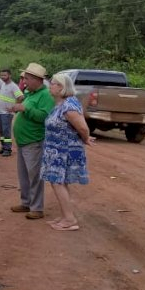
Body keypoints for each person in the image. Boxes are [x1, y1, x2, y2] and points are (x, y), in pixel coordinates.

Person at [41, 72, 95, 231]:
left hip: (64, 151)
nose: (50, 86)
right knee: (59, 181)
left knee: (57, 182)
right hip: (56, 150)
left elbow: (83, 127)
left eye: (53, 83)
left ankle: (69, 219)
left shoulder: (68, 106)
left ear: (62, 87)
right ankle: (66, 215)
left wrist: (86, 138)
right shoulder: (62, 103)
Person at [9, 63, 55, 220]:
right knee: (24, 175)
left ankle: (37, 207)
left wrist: (25, 109)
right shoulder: (31, 93)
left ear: (37, 79)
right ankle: (26, 202)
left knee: (34, 175)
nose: (24, 82)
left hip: (34, 141)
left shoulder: (46, 95)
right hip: (24, 142)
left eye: (27, 79)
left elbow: (44, 116)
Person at [0, 69, 23, 157]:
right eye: (2, 75)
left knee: (6, 131)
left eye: (5, 75)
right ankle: (3, 147)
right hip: (1, 112)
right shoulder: (3, 85)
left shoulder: (13, 86)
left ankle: (8, 149)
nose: (3, 77)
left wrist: (14, 107)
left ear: (9, 75)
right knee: (2, 131)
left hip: (7, 113)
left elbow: (21, 97)